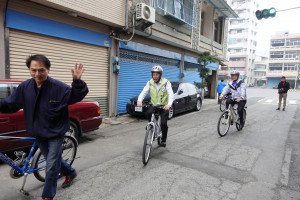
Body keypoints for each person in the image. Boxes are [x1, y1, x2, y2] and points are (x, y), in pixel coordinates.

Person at [0, 55, 88, 200]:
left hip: (55, 133)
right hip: (39, 133)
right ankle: (71, 173)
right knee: (53, 160)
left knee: (51, 166)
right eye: (33, 70)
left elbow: (75, 96)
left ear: (48, 69)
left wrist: (77, 82)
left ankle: (47, 196)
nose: (37, 74)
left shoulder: (58, 88)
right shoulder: (25, 88)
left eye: (41, 70)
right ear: (29, 70)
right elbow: (10, 103)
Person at [137, 65, 174, 147]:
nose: (155, 76)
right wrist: (139, 100)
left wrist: (169, 104)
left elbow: (171, 94)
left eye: (157, 74)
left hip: (164, 106)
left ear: (160, 75)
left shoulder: (166, 83)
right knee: (147, 113)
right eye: (153, 74)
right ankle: (151, 126)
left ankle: (163, 140)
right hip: (154, 105)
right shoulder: (150, 83)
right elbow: (144, 92)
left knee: (164, 124)